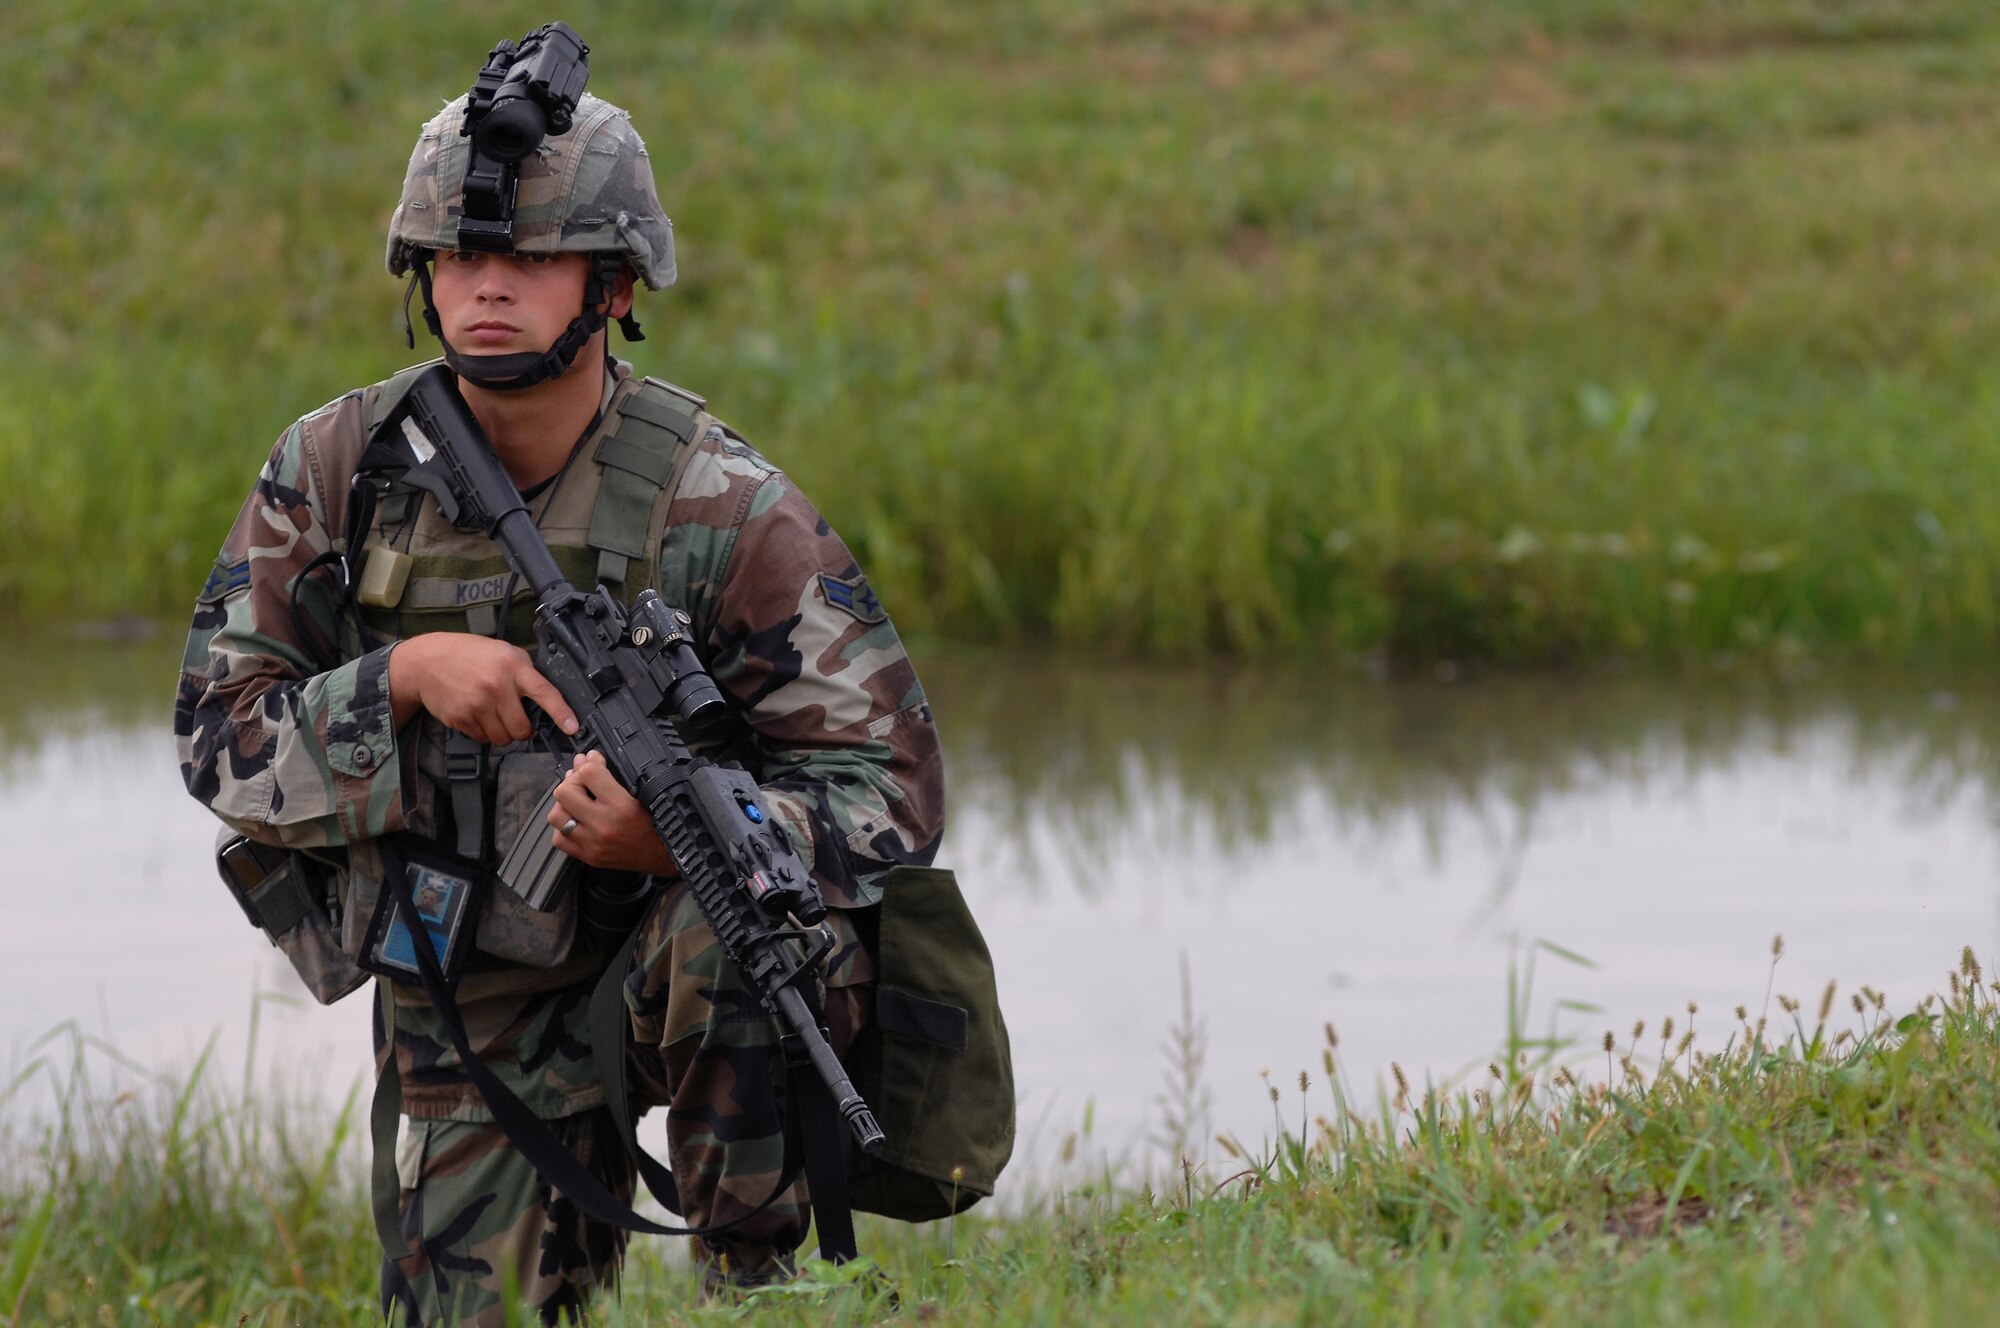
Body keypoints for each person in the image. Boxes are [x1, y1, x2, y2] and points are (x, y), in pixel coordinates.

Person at [174, 47, 945, 1325]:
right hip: (469, 991)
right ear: (421, 273)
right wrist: (403, 678)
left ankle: (748, 1293)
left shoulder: (720, 503)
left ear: (614, 281)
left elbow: (894, 789)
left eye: (531, 258)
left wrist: (693, 838)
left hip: (683, 967)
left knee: (743, 928)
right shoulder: (337, 470)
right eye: (458, 257)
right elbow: (217, 740)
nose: (486, 285)